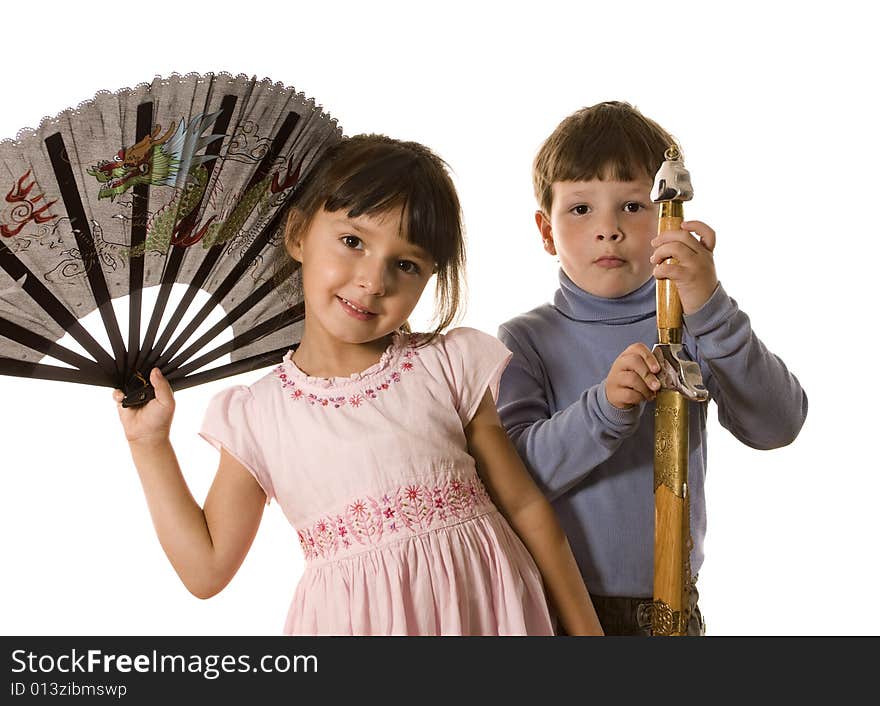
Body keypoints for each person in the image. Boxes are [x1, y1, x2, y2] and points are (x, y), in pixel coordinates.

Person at [113, 134, 602, 636]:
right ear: (299, 234)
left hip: (487, 615)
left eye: (405, 264)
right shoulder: (258, 415)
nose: (373, 281)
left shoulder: (446, 365)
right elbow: (206, 570)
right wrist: (149, 443)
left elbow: (523, 505)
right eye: (353, 242)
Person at [495, 102, 808, 636]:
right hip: (556, 607)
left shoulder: (693, 325)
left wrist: (709, 305)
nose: (609, 229)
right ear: (546, 231)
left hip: (670, 608)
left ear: (670, 221)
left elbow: (777, 423)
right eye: (581, 209)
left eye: (633, 207)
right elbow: (511, 482)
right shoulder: (525, 341)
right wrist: (604, 409)